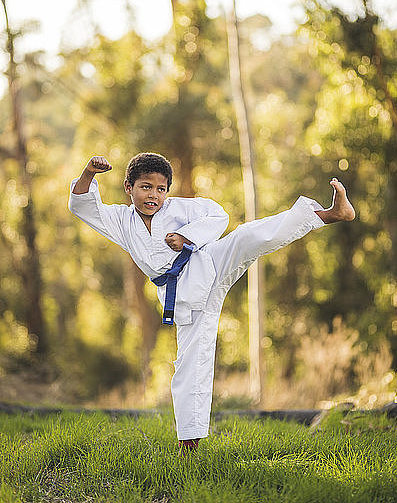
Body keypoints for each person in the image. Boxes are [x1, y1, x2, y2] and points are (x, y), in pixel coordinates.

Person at [68, 152, 355, 455]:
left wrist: (185, 236)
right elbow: (83, 205)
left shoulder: (181, 209)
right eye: (145, 187)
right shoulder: (121, 220)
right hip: (186, 299)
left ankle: (327, 214)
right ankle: (189, 444)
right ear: (129, 187)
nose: (154, 195)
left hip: (208, 265)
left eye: (161, 189)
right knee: (190, 364)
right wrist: (89, 171)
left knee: (245, 236)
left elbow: (218, 215)